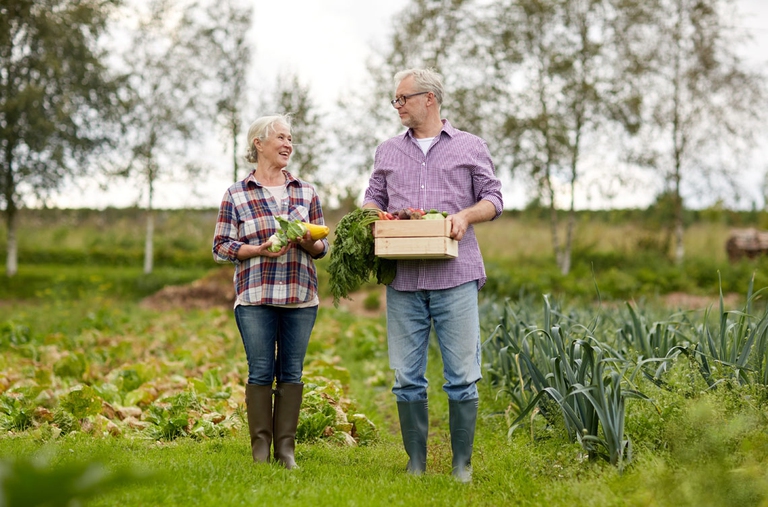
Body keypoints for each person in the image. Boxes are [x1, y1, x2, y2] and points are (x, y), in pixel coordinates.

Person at [362, 68, 503, 483]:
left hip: (455, 275)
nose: (398, 105)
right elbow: (372, 199)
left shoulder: (470, 146)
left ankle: (462, 465)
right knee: (406, 378)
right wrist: (374, 217)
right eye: (396, 99)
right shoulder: (387, 151)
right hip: (403, 279)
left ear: (430, 99)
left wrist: (465, 216)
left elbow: (494, 198)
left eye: (403, 98)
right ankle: (416, 463)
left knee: (462, 377)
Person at [212, 114, 329, 469]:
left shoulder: (306, 192)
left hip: (300, 296)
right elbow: (220, 246)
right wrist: (257, 250)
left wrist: (307, 241)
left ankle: (286, 451)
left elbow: (322, 248)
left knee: (292, 372)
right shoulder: (236, 194)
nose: (288, 144)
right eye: (280, 137)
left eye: (290, 138)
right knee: (261, 371)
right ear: (258, 144)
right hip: (255, 297)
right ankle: (261, 451)